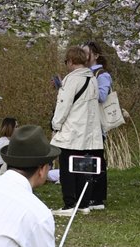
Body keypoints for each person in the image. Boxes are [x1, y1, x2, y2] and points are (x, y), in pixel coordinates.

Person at [51, 46, 102, 217]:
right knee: (84, 169)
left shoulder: (71, 80)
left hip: (72, 131)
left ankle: (69, 204)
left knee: (68, 169)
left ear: (71, 61)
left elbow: (63, 105)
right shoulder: (92, 79)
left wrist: (55, 125)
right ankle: (84, 203)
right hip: (88, 132)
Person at [83, 41, 113, 210]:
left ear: (95, 55)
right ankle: (91, 195)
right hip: (87, 123)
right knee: (88, 158)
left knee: (96, 158)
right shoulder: (84, 74)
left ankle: (97, 197)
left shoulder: (101, 75)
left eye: (86, 53)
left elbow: (102, 96)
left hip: (97, 124)